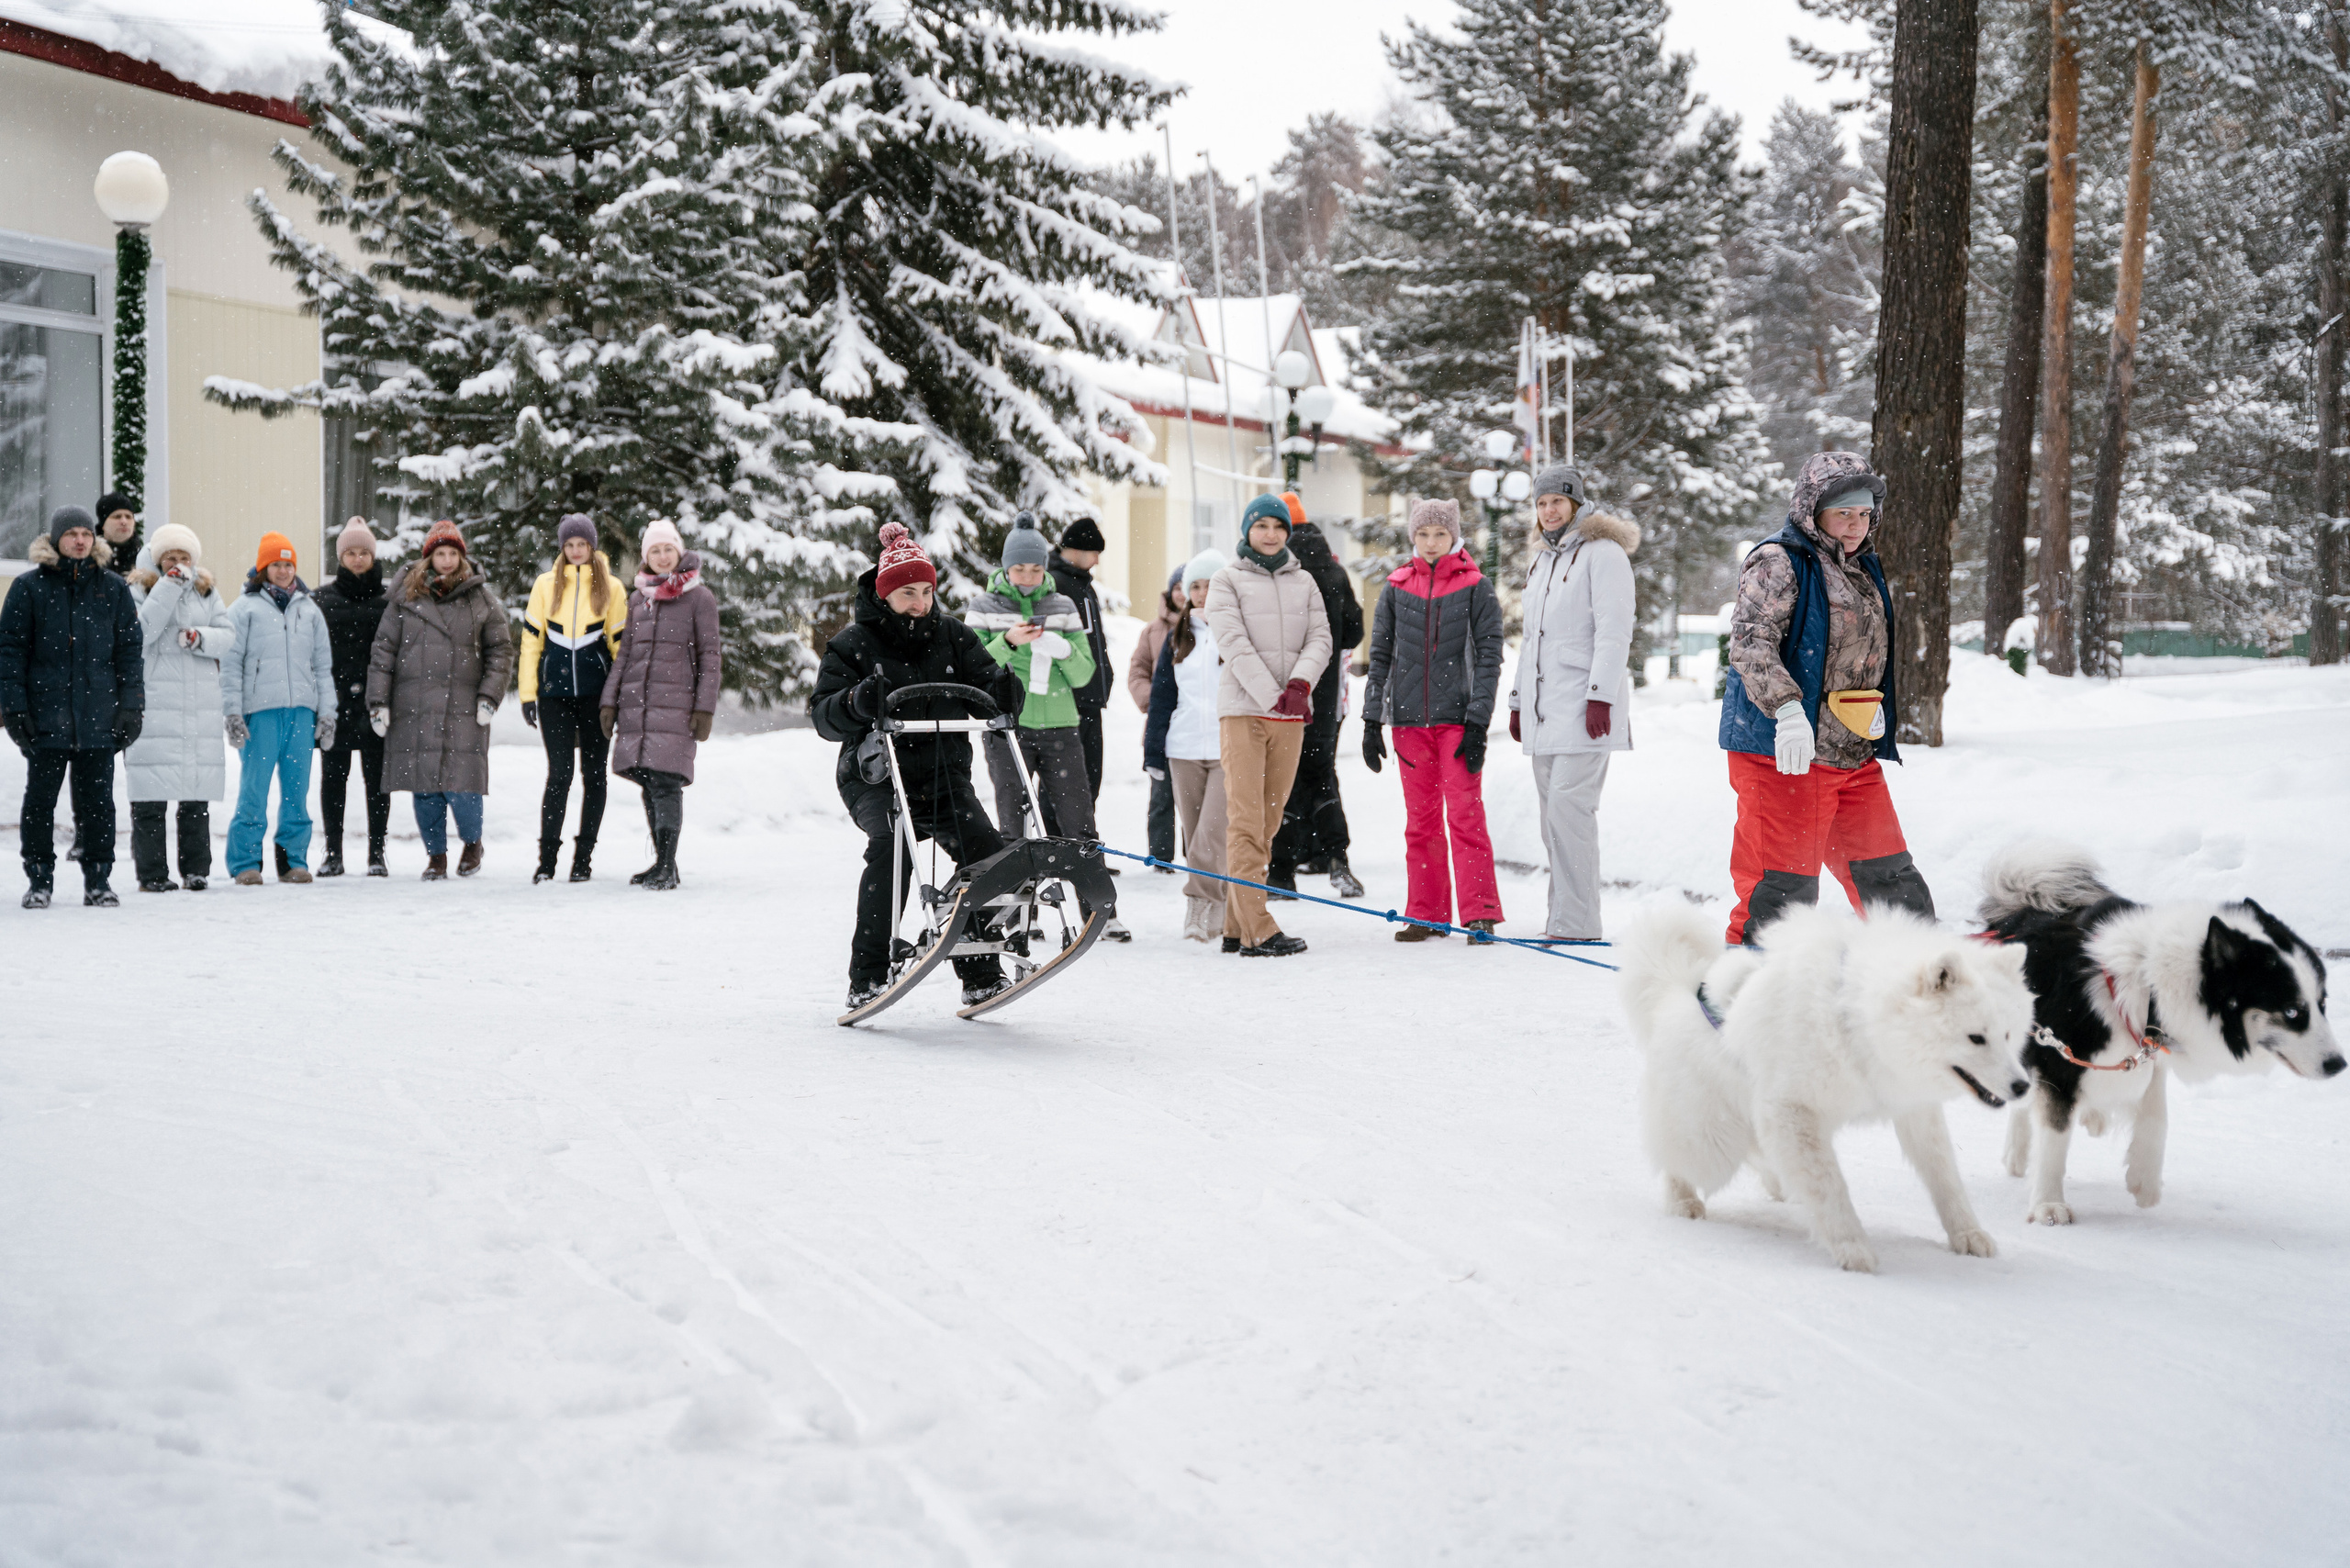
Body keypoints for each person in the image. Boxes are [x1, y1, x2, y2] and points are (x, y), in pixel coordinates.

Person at [810, 522, 1030, 1010]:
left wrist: (1004, 694)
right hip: (877, 777)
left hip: (942, 776)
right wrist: (856, 701)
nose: (920, 602)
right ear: (885, 594)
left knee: (988, 855)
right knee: (892, 853)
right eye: (908, 593)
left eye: (927, 591)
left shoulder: (952, 636)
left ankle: (980, 973)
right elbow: (823, 716)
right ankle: (867, 975)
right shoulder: (852, 644)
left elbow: (986, 686)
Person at [1719, 449, 1934, 946]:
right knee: (1781, 898)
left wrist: (1871, 705)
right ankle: (1745, 998)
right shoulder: (1779, 561)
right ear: (1812, 511)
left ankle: (1919, 996)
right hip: (1784, 755)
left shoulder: (1861, 568)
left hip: (1850, 752)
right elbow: (1751, 644)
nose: (1856, 525)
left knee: (1895, 891)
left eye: (1864, 514)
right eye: (1844, 513)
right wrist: (1788, 710)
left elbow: (1857, 654)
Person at [969, 517, 1128, 944]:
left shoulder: (1061, 606)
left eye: (1035, 569)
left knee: (1078, 822)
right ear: (1005, 568)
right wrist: (1011, 642)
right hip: (1009, 728)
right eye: (1019, 569)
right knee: (1012, 825)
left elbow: (1082, 673)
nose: (1027, 577)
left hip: (1060, 725)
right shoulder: (984, 607)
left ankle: (1098, 911)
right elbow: (976, 668)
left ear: (1044, 567)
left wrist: (1057, 647)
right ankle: (1019, 914)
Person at [1360, 499, 1506, 943]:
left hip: (1458, 722)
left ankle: (1479, 912)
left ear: (1454, 536)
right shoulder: (1395, 587)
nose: (1430, 543)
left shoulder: (1476, 586)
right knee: (1420, 821)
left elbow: (1489, 656)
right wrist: (1371, 720)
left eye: (1439, 534)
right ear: (1413, 537)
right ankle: (1426, 913)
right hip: (1408, 723)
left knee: (1465, 816)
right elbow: (1380, 656)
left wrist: (1479, 720)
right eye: (1423, 534)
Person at [1511, 463, 1639, 945]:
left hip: (1586, 710)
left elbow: (1614, 629)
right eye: (1542, 503)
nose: (1548, 511)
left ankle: (1577, 923)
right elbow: (1531, 641)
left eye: (1557, 502)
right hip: (1547, 709)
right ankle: (1562, 918)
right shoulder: (1541, 560)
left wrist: (1601, 696)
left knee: (1570, 812)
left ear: (1576, 504)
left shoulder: (1602, 554)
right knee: (1553, 821)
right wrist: (1520, 700)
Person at [1204, 493, 1332, 957]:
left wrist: (1300, 685)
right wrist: (1271, 694)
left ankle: (1235, 927)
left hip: (1291, 715)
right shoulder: (1226, 580)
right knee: (1245, 820)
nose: (1271, 534)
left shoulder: (1305, 583)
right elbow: (1232, 642)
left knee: (1269, 822)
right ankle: (1260, 926)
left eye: (1278, 527)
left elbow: (1321, 637)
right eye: (1262, 526)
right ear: (1247, 531)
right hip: (1244, 712)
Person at [0, 506, 143, 907]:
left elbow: (130, 652)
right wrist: (14, 709)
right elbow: (10, 653)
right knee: (40, 803)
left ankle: (98, 879)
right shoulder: (29, 588)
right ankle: (39, 881)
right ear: (56, 539)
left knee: (99, 805)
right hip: (45, 717)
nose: (80, 540)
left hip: (100, 716)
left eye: (86, 533)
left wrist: (131, 706)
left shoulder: (113, 588)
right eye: (71, 534)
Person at [368, 520, 514, 880]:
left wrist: (489, 697)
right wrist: (377, 702)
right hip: (414, 704)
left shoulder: (479, 597)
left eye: (452, 554)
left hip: (463, 706)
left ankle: (472, 842)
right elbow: (383, 651)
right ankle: (436, 856)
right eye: (440, 554)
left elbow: (501, 650)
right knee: (425, 787)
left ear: (461, 557)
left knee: (461, 784)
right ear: (428, 557)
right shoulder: (406, 597)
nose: (446, 560)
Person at [599, 520, 718, 891]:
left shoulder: (699, 598)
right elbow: (626, 655)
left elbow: (710, 655)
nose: (663, 556)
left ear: (679, 552)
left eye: (668, 549)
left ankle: (667, 864)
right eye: (655, 551)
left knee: (667, 782)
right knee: (649, 781)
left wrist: (704, 708)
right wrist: (610, 702)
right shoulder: (639, 598)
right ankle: (663, 864)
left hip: (678, 706)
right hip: (640, 706)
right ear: (646, 557)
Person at [1268, 494, 1367, 902]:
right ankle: (1337, 858)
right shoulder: (1333, 568)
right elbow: (1355, 631)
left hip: (1285, 689)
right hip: (1325, 696)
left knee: (1280, 779)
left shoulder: (1279, 568)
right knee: (1320, 774)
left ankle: (1281, 873)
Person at [221, 532, 335, 886]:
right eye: (276, 565)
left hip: (301, 712)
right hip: (261, 713)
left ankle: (292, 862)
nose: (284, 571)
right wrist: (233, 712)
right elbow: (230, 664)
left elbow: (322, 667)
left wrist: (327, 712)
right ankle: (245, 863)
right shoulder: (243, 609)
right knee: (254, 790)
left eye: (289, 564)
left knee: (297, 792)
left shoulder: (309, 609)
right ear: (263, 568)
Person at [125, 524, 233, 891]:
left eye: (183, 557)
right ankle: (152, 874)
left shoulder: (206, 591)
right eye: (170, 557)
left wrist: (200, 638)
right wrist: (168, 587)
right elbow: (142, 632)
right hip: (154, 704)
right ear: (158, 560)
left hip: (196, 707)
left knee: (194, 795)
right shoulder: (140, 590)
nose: (178, 563)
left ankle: (196, 870)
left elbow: (227, 635)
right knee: (150, 797)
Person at [521, 513, 626, 882]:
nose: (577, 550)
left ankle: (584, 859)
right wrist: (528, 694)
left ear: (592, 546)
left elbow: (619, 647)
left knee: (595, 776)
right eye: (570, 545)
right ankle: (547, 860)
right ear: (562, 548)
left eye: (582, 544)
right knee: (559, 776)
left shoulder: (612, 587)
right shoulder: (545, 585)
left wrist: (618, 697)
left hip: (596, 697)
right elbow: (532, 642)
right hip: (554, 696)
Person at [1143, 549, 1230, 943]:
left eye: (1210, 585)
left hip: (1228, 748)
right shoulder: (1179, 634)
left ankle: (1198, 905)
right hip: (1184, 749)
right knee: (1196, 834)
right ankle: (1219, 907)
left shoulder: (1236, 629)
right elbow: (1162, 696)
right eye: (1195, 586)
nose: (1202, 593)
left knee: (1212, 835)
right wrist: (1154, 751)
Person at [312, 519, 394, 877]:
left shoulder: (389, 601)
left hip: (377, 702)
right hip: (336, 702)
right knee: (334, 779)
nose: (357, 559)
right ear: (340, 557)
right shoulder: (322, 599)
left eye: (364, 552)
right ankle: (334, 852)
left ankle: (377, 853)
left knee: (377, 780)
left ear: (373, 557)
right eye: (350, 552)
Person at [1045, 517, 1112, 842]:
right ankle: (1058, 848)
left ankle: (1081, 847)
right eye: (1094, 552)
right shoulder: (1057, 583)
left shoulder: (1084, 586)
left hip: (1090, 700)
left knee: (1089, 779)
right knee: (1064, 781)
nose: (1097, 559)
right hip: (1068, 700)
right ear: (1076, 550)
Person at [1127, 566, 1186, 869]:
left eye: (1189, 587)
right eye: (1178, 586)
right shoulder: (1152, 631)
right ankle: (1162, 856)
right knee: (1161, 794)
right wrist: (1154, 699)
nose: (1183, 593)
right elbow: (1138, 671)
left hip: (1193, 723)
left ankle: (1197, 856)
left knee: (1196, 793)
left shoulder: (1208, 627)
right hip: (1161, 725)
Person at [95, 492, 140, 580]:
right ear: (103, 524)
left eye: (128, 517)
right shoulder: (90, 559)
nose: (124, 521)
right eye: (117, 517)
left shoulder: (145, 559)